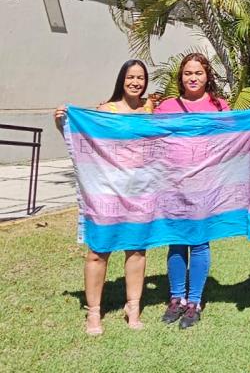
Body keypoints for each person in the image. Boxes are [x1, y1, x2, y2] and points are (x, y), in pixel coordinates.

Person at [54, 59, 153, 335]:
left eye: (141, 78)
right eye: (131, 77)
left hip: (140, 190)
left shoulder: (149, 111)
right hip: (106, 191)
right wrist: (63, 122)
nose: (136, 82)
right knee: (99, 251)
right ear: (122, 79)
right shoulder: (105, 111)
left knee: (136, 249)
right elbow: (84, 141)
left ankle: (133, 306)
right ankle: (94, 312)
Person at [154, 52, 230, 329]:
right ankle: (176, 297)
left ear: (208, 75)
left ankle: (194, 301)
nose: (193, 77)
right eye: (188, 73)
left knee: (198, 242)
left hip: (205, 187)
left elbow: (236, 140)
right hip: (173, 186)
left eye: (198, 72)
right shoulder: (166, 107)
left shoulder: (220, 107)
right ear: (180, 77)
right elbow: (148, 139)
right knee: (176, 241)